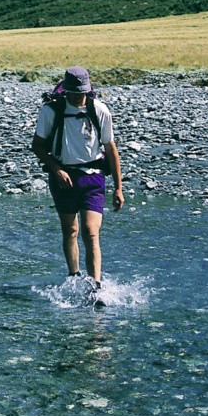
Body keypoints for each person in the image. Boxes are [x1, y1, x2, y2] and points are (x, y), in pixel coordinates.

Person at [31, 67, 124, 296]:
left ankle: (95, 286)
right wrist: (56, 169)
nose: (77, 97)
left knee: (90, 231)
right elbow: (38, 146)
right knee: (70, 229)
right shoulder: (51, 111)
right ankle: (73, 275)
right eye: (73, 93)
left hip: (93, 177)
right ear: (65, 90)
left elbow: (111, 149)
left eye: (81, 93)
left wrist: (119, 188)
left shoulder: (99, 110)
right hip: (63, 177)